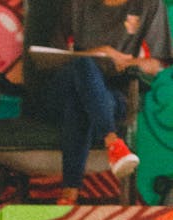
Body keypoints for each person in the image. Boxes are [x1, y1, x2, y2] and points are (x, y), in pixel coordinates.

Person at [27, 0, 172, 205]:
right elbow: (51, 58)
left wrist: (123, 61)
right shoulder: (75, 4)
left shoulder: (149, 5)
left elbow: (156, 64)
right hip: (63, 88)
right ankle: (112, 141)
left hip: (111, 97)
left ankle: (70, 192)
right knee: (83, 66)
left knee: (79, 102)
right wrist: (99, 53)